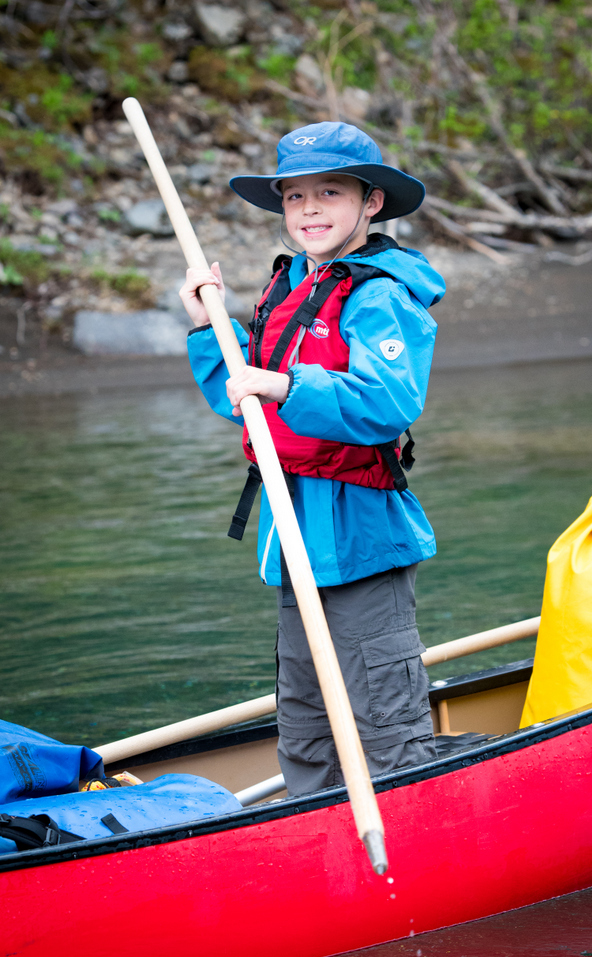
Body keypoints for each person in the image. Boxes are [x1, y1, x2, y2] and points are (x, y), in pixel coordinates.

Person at [179, 121, 446, 796]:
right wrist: (209, 329)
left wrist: (287, 384)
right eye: (295, 198)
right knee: (302, 723)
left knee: (386, 720)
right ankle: (315, 838)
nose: (310, 210)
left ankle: (412, 839)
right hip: (291, 535)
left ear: (371, 203)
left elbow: (386, 402)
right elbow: (244, 401)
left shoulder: (382, 293)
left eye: (329, 192)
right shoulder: (290, 285)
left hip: (361, 537)